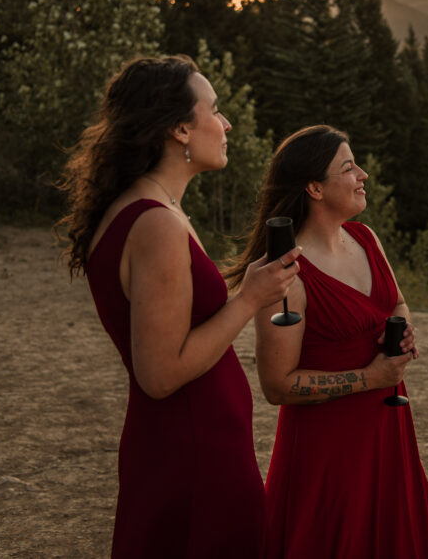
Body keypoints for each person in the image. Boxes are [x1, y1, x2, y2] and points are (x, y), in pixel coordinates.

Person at [56, 55, 299, 558]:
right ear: (179, 128)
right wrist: (249, 297)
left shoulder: (147, 208)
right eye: (215, 109)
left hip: (183, 445)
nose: (226, 123)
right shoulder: (156, 224)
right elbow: (160, 373)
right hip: (194, 455)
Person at [225, 125, 428, 559]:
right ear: (314, 187)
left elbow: (397, 302)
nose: (363, 174)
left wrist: (402, 330)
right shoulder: (286, 274)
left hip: (388, 434)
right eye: (348, 168)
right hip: (328, 453)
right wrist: (372, 377)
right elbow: (277, 386)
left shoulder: (367, 239)